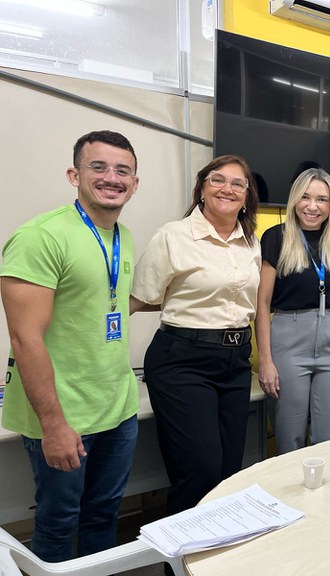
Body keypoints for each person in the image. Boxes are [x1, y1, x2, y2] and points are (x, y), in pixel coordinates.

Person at [0, 130, 140, 561]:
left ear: (135, 183)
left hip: (117, 408)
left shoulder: (123, 236)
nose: (111, 177)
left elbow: (109, 304)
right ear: (74, 174)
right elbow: (25, 339)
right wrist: (53, 425)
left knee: (103, 514)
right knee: (59, 520)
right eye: (98, 167)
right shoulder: (40, 237)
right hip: (63, 415)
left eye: (123, 170)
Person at [131, 154, 261, 515]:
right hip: (183, 361)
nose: (228, 188)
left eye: (238, 183)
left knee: (228, 472)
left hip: (235, 362)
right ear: (202, 188)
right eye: (218, 179)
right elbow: (139, 299)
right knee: (199, 471)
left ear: (247, 195)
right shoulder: (174, 235)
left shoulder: (249, 242)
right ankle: (180, 564)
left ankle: (218, 558)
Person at [256, 168, 330, 454]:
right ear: (295, 200)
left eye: (322, 199)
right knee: (290, 437)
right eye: (305, 197)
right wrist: (266, 361)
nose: (313, 206)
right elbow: (261, 303)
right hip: (288, 340)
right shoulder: (276, 237)